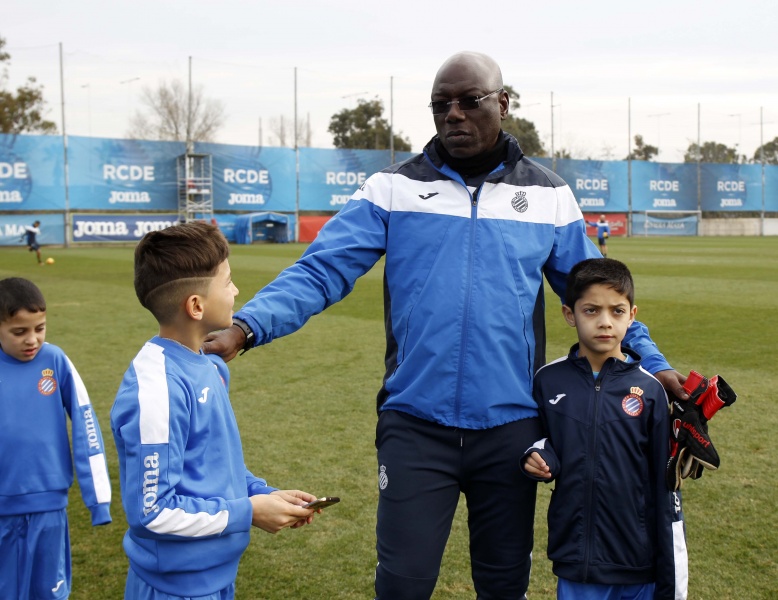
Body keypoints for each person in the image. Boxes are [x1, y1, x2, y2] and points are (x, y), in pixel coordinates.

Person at [203, 51, 688, 599]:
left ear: (503, 103)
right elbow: (321, 270)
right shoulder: (393, 188)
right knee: (403, 586)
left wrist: (655, 364)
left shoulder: (549, 196)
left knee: (503, 587)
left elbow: (601, 295)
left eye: (469, 101)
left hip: (511, 430)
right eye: (440, 105)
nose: (453, 114)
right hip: (415, 426)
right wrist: (247, 327)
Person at [111, 222, 318, 599]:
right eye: (227, 281)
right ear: (196, 305)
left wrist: (262, 493)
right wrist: (248, 512)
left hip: (218, 576)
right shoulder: (158, 389)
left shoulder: (209, 365)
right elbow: (154, 511)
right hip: (174, 588)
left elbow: (214, 463)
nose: (237, 290)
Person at [522, 258, 687, 599]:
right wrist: (537, 455)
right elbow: (536, 438)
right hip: (577, 558)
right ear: (570, 315)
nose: (605, 322)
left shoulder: (651, 390)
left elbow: (664, 488)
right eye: (592, 310)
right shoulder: (548, 380)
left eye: (617, 311)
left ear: (632, 314)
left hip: (637, 560)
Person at [0, 277, 112, 599]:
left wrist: (99, 500)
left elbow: (86, 424)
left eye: (40, 328)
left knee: (49, 592)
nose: (32, 339)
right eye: (19, 332)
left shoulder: (55, 361)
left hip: (49, 508)